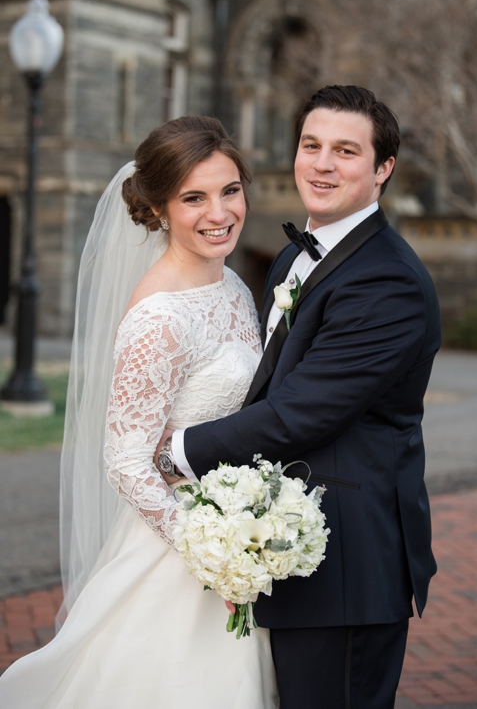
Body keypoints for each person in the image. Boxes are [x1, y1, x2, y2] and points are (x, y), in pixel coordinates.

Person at [154, 85, 441, 709]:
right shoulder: (291, 257)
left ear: (382, 168)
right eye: (311, 145)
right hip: (284, 548)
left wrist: (176, 450)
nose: (322, 164)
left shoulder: (387, 281)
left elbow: (299, 414)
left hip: (346, 562)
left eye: (346, 150)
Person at [0, 116, 277, 707]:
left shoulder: (232, 285)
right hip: (179, 549)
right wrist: (211, 553)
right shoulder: (159, 318)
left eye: (230, 191)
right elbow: (126, 459)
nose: (220, 213)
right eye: (193, 198)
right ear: (157, 209)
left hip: (234, 530)